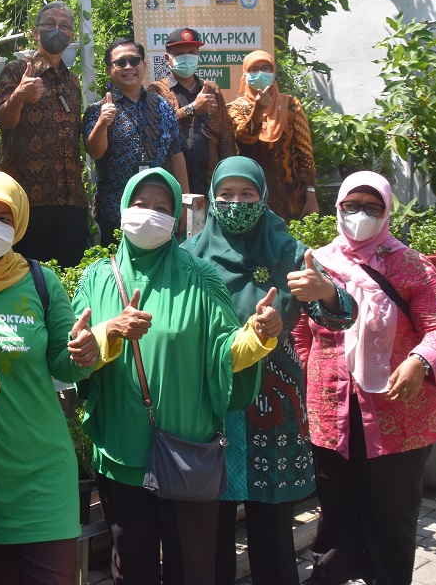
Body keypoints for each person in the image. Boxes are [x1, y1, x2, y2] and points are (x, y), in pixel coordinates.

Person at [72, 168, 280, 585]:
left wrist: (258, 335)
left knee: (193, 569)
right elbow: (75, 353)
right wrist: (106, 333)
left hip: (187, 453)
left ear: (176, 218)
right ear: (122, 207)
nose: (149, 215)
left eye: (162, 208)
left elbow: (226, 351)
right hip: (122, 454)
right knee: (132, 567)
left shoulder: (201, 278)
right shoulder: (96, 278)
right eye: (140, 204)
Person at [185, 157, 356, 585]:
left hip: (272, 409)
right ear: (211, 199)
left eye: (247, 195)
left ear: (263, 198)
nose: (235, 203)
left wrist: (328, 293)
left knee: (272, 529)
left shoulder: (290, 252)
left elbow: (342, 316)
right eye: (225, 195)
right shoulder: (188, 257)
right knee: (211, 527)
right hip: (212, 406)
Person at [296, 172, 436, 585]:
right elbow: (301, 334)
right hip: (333, 415)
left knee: (391, 524)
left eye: (372, 208)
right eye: (352, 206)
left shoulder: (408, 263)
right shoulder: (318, 263)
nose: (360, 216)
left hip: (397, 416)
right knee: (336, 519)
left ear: (387, 211)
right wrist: (310, 381)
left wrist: (420, 361)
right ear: (338, 208)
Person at [0, 170, 101, 585]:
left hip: (44, 481)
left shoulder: (40, 281)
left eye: (4, 217)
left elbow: (65, 365)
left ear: (19, 225)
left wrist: (86, 351)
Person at [0, 1, 89, 268]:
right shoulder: (17, 70)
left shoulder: (72, 82)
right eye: (49, 24)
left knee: (70, 277)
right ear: (35, 32)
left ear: (70, 37)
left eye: (64, 26)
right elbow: (3, 121)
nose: (57, 30)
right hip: (28, 200)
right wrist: (19, 96)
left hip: (71, 199)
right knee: (29, 278)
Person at [85, 38, 189, 246]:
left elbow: (176, 155)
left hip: (158, 209)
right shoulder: (97, 110)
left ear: (144, 65)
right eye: (120, 63)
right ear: (109, 70)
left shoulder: (162, 107)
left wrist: (184, 204)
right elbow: (94, 152)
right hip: (115, 211)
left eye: (134, 60)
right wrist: (103, 124)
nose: (128, 67)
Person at [227, 51, 318, 222]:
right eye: (254, 69)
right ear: (245, 75)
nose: (260, 73)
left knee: (291, 242)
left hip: (291, 194)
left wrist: (311, 194)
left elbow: (305, 152)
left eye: (266, 68)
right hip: (252, 192)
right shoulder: (236, 108)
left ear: (273, 72)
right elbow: (245, 140)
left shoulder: (291, 105)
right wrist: (259, 110)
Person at [146, 28, 236, 198]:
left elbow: (225, 136)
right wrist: (191, 110)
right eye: (180, 54)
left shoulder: (211, 89)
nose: (187, 57)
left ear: (198, 56)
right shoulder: (157, 90)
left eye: (192, 53)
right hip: (174, 180)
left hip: (210, 180)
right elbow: (157, 128)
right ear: (168, 59)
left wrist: (229, 175)